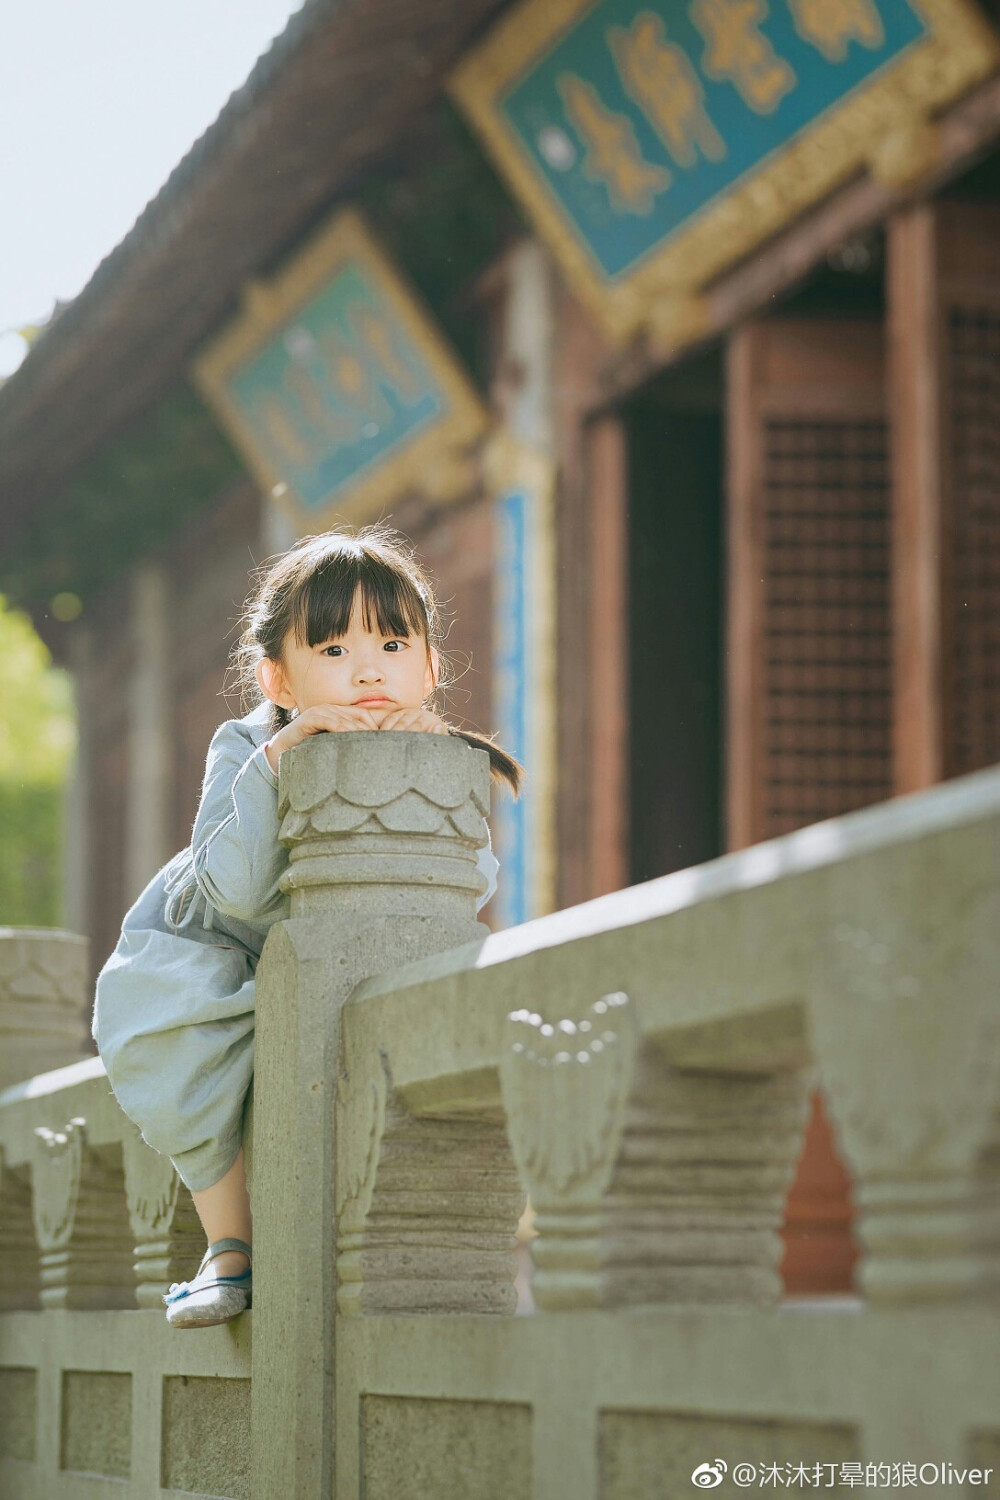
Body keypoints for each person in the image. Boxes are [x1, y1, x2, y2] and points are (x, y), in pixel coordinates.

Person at [92, 523, 522, 1329]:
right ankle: (230, 1245)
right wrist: (280, 762)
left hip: (335, 959)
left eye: (394, 643)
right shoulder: (250, 745)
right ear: (277, 676)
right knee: (173, 1031)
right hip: (213, 946)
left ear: (430, 666)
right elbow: (237, 889)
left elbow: (464, 889)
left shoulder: (437, 753)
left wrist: (425, 777)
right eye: (331, 650)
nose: (367, 668)